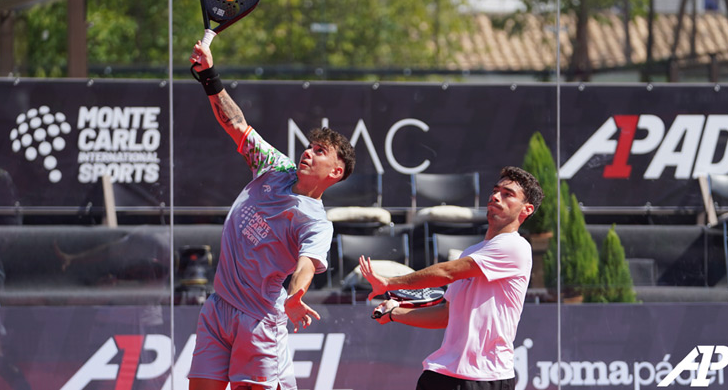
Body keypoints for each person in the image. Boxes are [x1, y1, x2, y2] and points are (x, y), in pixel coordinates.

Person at [186, 40, 356, 390]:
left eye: (320, 151)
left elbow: (306, 264)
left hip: (259, 321)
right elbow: (236, 124)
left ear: (335, 172)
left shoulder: (315, 221)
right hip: (219, 307)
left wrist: (296, 296)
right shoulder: (276, 167)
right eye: (309, 146)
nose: (308, 152)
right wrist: (208, 77)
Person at [360, 166, 543, 390]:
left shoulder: (515, 247)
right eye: (495, 191)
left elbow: (447, 272)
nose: (496, 196)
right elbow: (445, 314)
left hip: (486, 377)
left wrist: (389, 283)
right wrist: (394, 313)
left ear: (526, 210)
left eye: (508, 194)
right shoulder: (471, 252)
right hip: (443, 373)